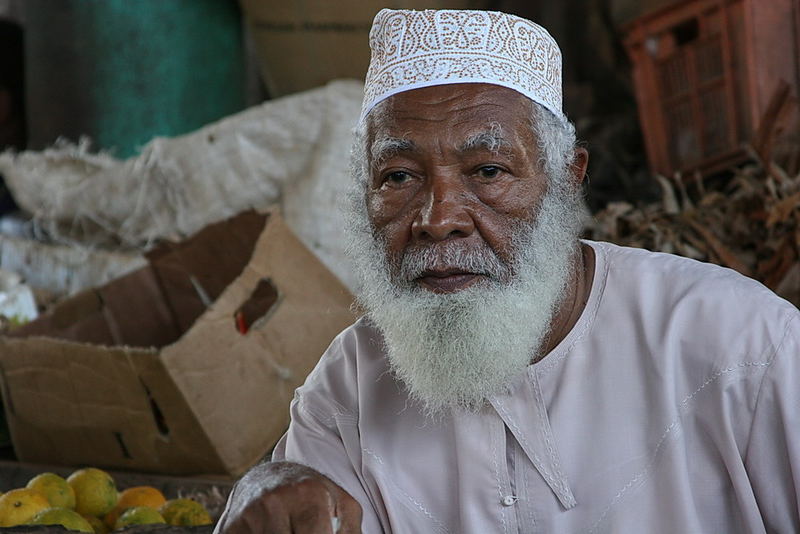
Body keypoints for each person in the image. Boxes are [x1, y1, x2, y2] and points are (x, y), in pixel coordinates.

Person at [215, 8, 800, 534]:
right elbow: (292, 510)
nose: (438, 219)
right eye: (398, 177)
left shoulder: (742, 345)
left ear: (567, 178)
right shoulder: (350, 385)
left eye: (488, 171)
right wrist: (264, 486)